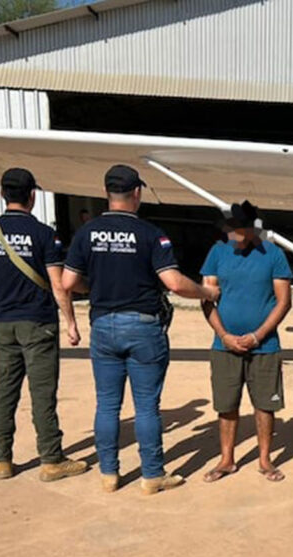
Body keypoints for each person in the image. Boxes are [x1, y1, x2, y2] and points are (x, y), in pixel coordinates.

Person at [62, 165, 220, 495]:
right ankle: (151, 474)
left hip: (103, 324)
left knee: (107, 404)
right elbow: (174, 283)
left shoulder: (87, 233)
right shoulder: (150, 234)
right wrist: (206, 292)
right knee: (146, 405)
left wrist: (97, 287)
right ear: (137, 193)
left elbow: (68, 282)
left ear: (106, 193)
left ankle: (109, 473)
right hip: (143, 325)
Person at [0, 167, 87, 482]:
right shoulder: (44, 234)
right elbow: (58, 285)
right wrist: (71, 322)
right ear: (32, 196)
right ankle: (51, 460)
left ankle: (1, 460)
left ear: (2, 194)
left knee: (3, 393)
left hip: (2, 323)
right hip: (38, 323)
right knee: (43, 394)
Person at [200, 201, 293, 483]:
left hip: (265, 346)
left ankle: (265, 459)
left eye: (240, 230)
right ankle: (227, 459)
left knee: (265, 404)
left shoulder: (274, 254)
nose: (235, 235)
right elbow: (207, 297)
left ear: (253, 229)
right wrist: (224, 335)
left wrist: (258, 335)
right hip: (224, 345)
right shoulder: (217, 252)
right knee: (226, 404)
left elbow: (284, 301)